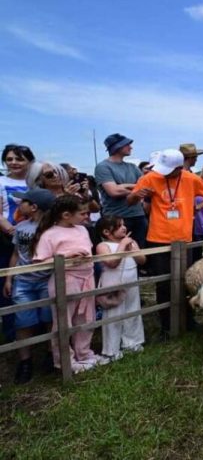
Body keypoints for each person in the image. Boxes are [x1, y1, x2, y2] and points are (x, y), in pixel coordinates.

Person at [127, 149, 203, 336]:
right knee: (163, 283)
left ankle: (187, 321)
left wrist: (196, 208)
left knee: (186, 281)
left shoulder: (191, 179)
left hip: (183, 238)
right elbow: (129, 200)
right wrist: (136, 195)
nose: (164, 172)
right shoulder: (151, 177)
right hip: (158, 237)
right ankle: (167, 325)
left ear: (179, 167)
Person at [32, 194, 100, 373]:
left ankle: (84, 354)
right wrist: (65, 257)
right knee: (64, 322)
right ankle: (64, 361)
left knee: (87, 317)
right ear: (66, 215)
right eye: (82, 213)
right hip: (66, 279)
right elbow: (39, 261)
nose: (86, 217)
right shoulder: (50, 234)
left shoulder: (82, 230)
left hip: (87, 276)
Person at [3, 188, 55, 383]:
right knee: (23, 321)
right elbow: (17, 254)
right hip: (22, 281)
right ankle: (25, 361)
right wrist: (9, 278)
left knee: (50, 318)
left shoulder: (53, 229)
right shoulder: (21, 227)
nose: (19, 204)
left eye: (23, 201)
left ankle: (51, 355)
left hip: (46, 280)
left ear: (33, 207)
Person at [94, 216, 146, 362]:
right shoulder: (103, 246)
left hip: (131, 281)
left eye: (124, 225)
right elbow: (112, 263)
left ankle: (132, 342)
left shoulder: (131, 242)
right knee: (113, 314)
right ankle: (111, 349)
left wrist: (132, 249)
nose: (124, 228)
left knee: (133, 310)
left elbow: (142, 260)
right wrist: (123, 246)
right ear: (106, 231)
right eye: (119, 226)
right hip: (112, 283)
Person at [0, 144, 36, 343]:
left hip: (35, 239)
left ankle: (37, 328)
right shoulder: (1, 182)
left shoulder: (35, 182)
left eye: (19, 159)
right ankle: (11, 331)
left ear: (29, 161)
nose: (13, 162)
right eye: (10, 158)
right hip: (8, 238)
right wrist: (12, 230)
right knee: (8, 282)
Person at [94, 133, 148, 247]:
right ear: (117, 147)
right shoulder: (103, 167)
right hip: (116, 219)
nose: (131, 147)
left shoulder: (132, 167)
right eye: (127, 144)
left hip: (138, 216)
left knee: (141, 252)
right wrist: (136, 189)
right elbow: (113, 191)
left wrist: (123, 186)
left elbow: (145, 185)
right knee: (119, 252)